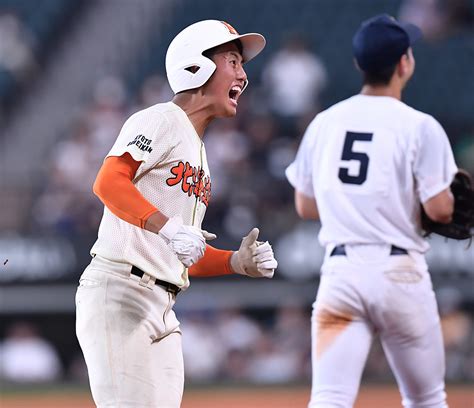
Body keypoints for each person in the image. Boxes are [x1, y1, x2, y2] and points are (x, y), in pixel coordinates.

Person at [75, 20, 277, 408]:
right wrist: (168, 228)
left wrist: (235, 261)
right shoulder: (161, 118)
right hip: (120, 291)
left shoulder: (198, 149)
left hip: (164, 305)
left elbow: (182, 254)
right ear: (196, 65)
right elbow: (108, 181)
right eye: (233, 61)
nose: (243, 74)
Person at [286, 14, 457, 408]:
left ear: (358, 64)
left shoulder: (324, 123)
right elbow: (441, 210)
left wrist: (353, 205)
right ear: (405, 63)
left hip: (341, 274)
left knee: (329, 398)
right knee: (427, 398)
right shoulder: (420, 126)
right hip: (400, 273)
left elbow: (305, 206)